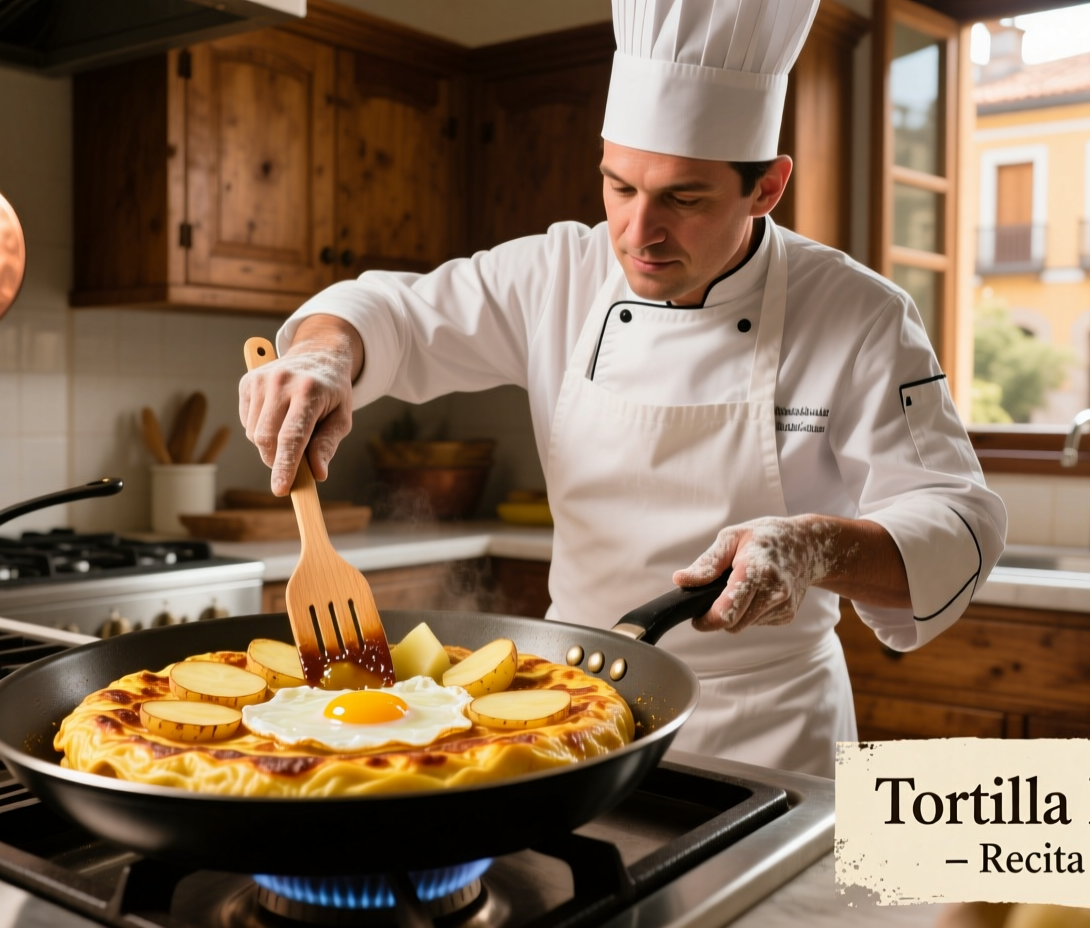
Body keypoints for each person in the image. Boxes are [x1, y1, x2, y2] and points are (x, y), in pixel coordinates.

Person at [240, 0, 1006, 778]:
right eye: (619, 187)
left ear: (767, 189)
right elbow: (390, 311)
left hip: (767, 732)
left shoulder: (859, 312)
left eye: (684, 198)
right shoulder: (558, 274)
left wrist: (814, 547)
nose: (638, 234)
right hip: (566, 710)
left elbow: (958, 519)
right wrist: (325, 357)